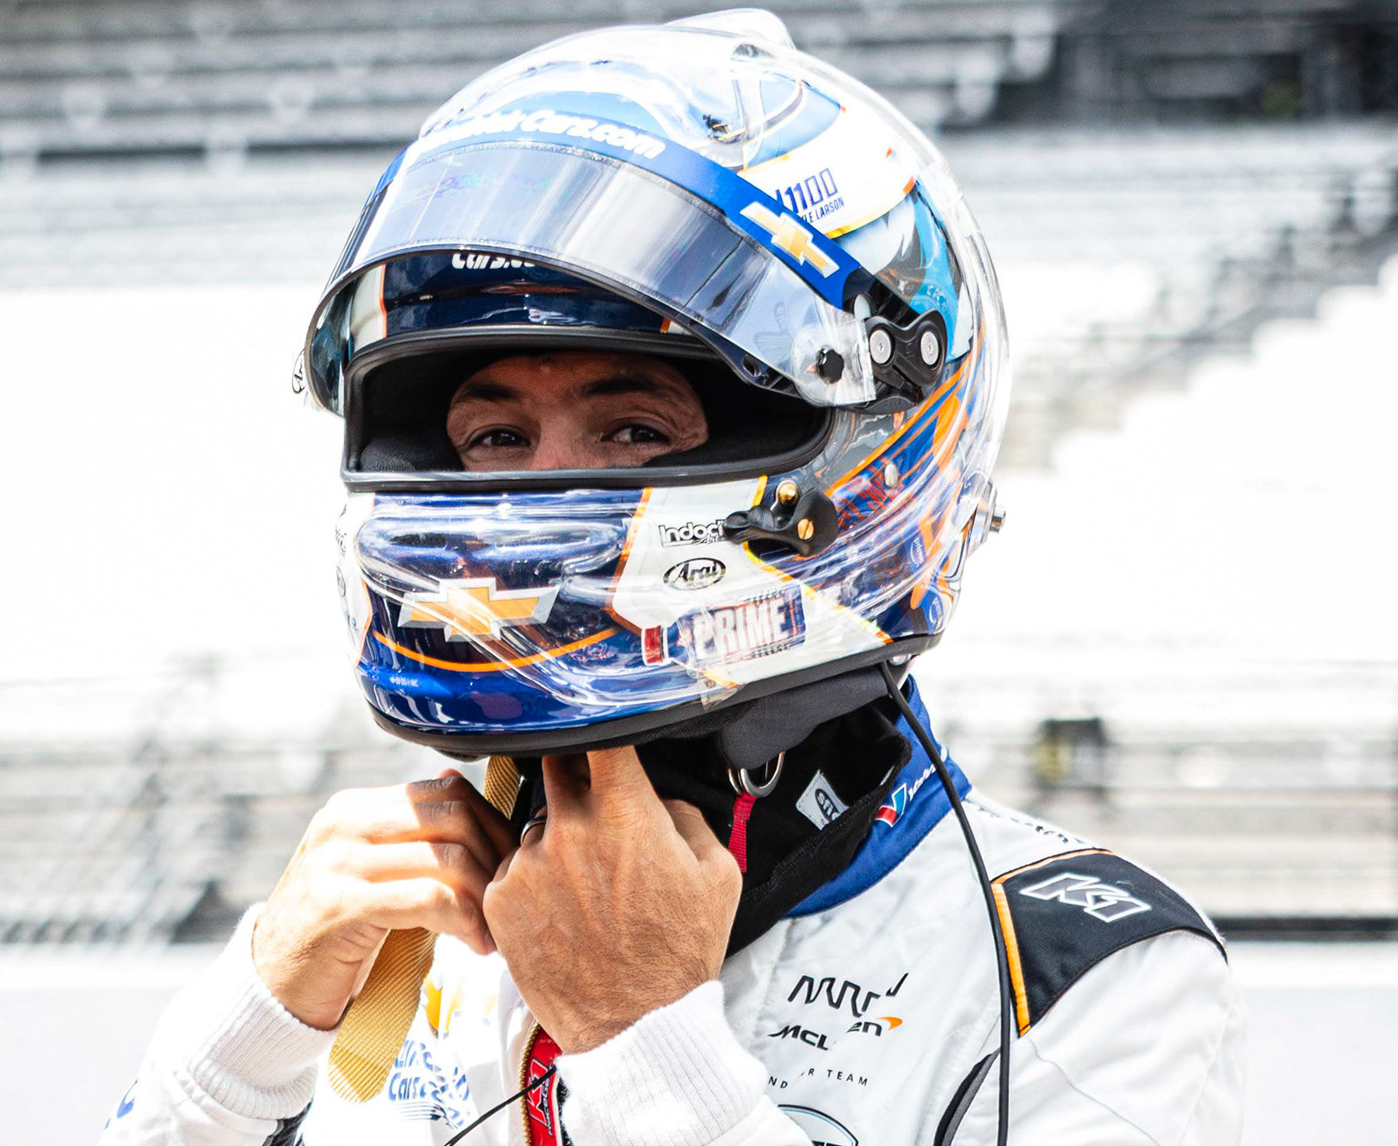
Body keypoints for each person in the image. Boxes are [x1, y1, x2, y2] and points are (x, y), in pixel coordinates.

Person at [101, 11, 1244, 1146]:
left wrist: (642, 1043)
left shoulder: (1087, 977)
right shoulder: (379, 929)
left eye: (634, 431)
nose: (534, 508)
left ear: (861, 467)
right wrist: (238, 1054)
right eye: (494, 438)